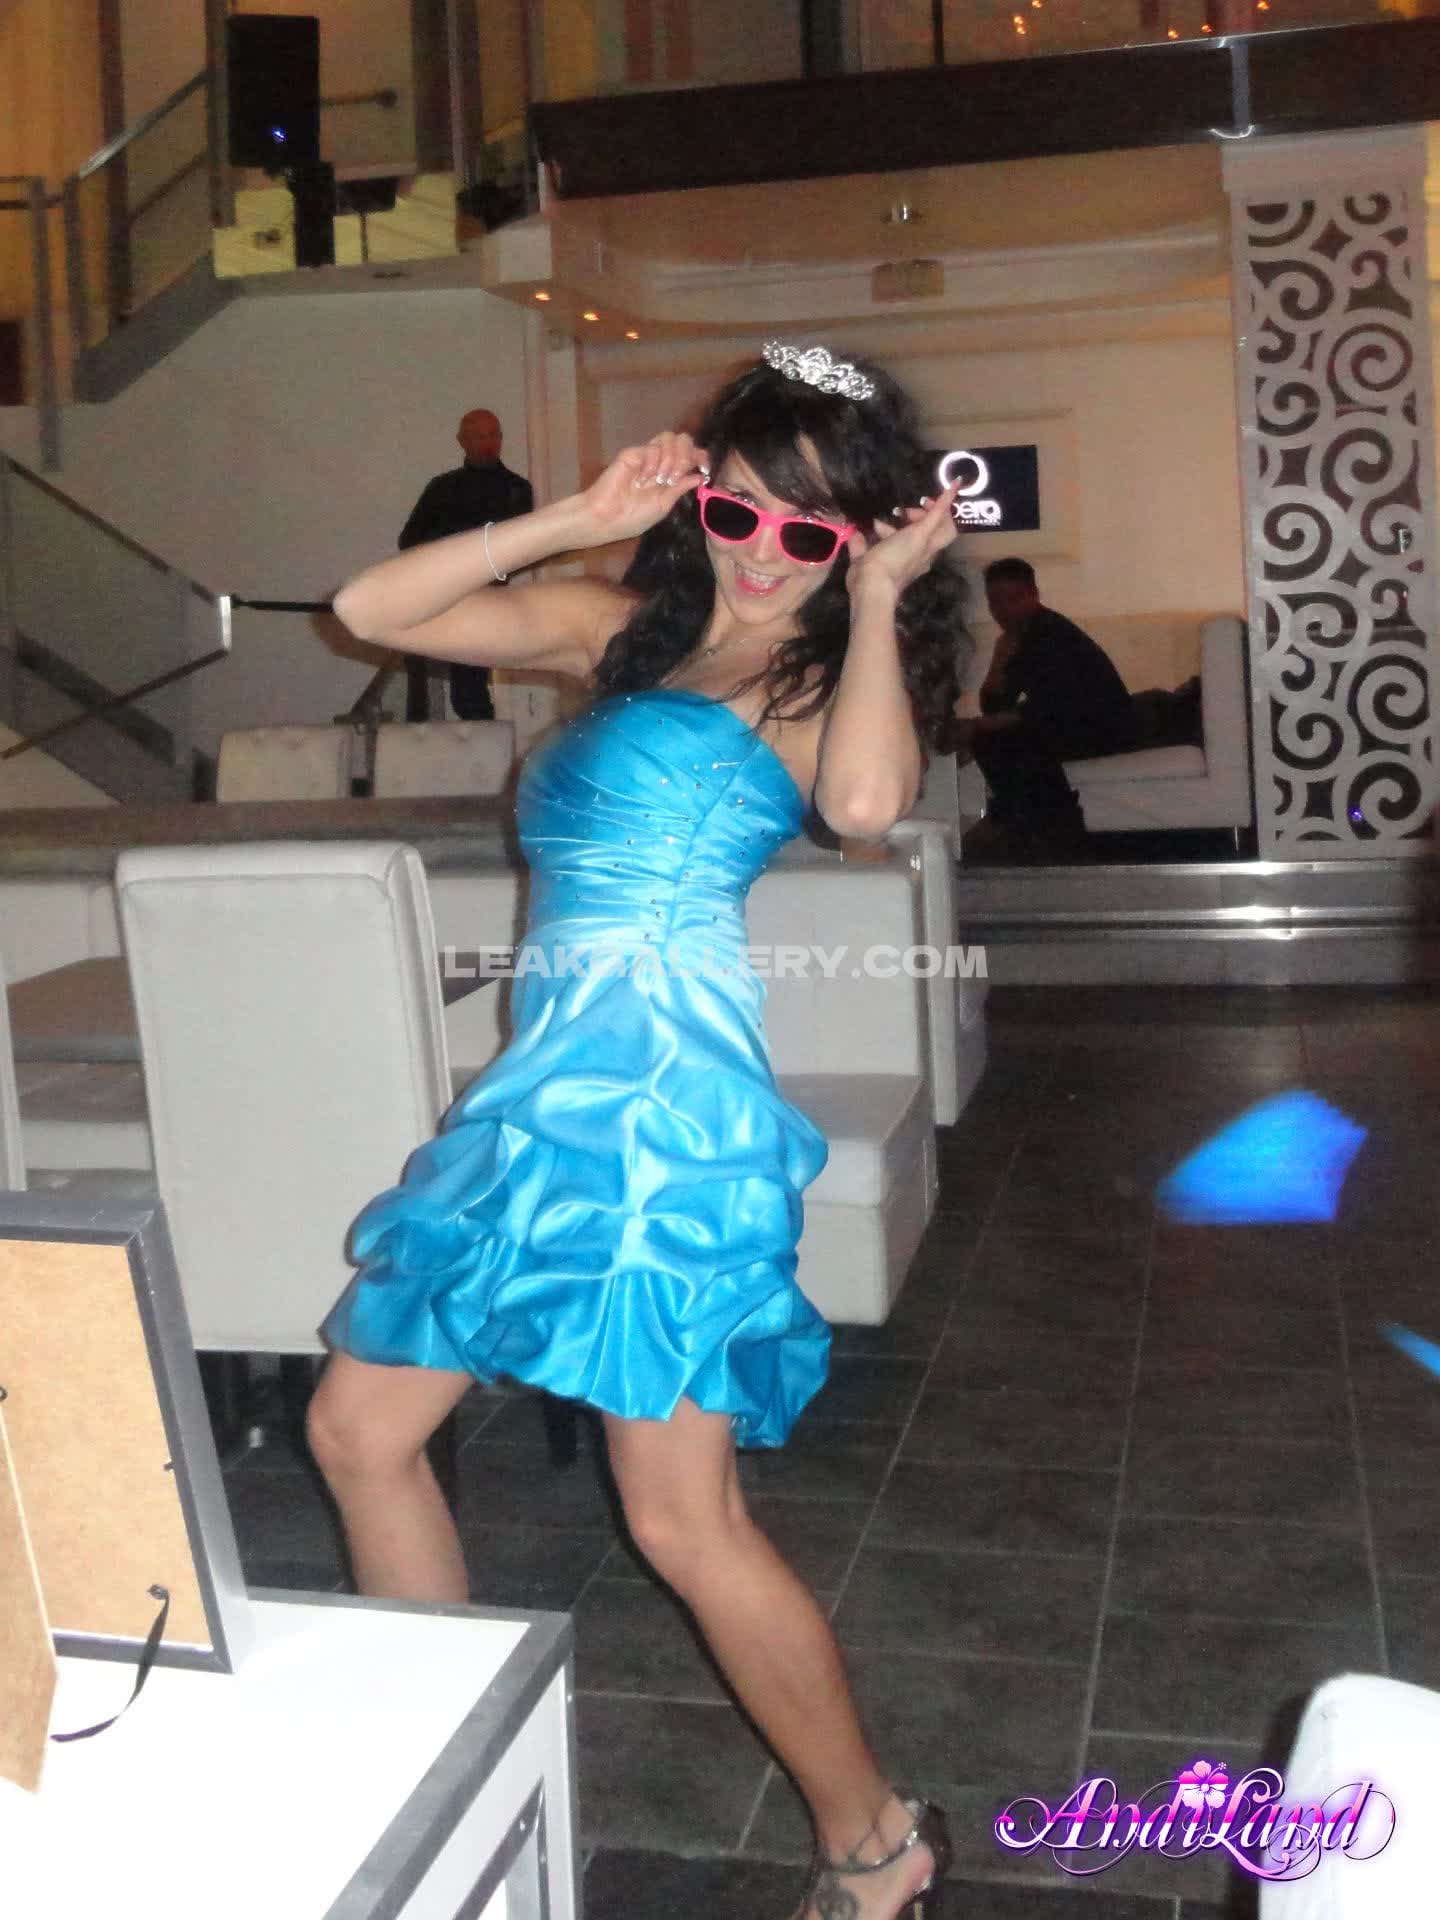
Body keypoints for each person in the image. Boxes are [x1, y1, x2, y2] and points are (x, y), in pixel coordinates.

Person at [308, 340, 968, 1920]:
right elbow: (369, 609)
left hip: (664, 1114)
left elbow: (865, 808)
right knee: (358, 1433)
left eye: (809, 533)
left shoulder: (811, 685)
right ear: (699, 506)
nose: (763, 556)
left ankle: (875, 1840)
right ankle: (453, 1786)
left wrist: (878, 602)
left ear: (855, 541)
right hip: (542, 1099)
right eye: (738, 514)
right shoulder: (620, 635)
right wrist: (572, 517)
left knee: (681, 1520)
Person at [952, 557, 1137, 861]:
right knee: (996, 736)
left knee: (1002, 739)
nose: (1004, 610)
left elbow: (1049, 708)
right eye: (996, 601)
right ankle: (1026, 823)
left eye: (1014, 599)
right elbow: (997, 705)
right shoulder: (1021, 637)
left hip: (1106, 727)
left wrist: (978, 725)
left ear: (1033, 595)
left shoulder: (1052, 635)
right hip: (1069, 722)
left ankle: (1043, 827)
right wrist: (999, 662)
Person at [396, 408, 534, 721]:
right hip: (447, 596)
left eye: (493, 435)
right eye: (479, 436)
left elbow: (521, 550)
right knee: (456, 690)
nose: (488, 443)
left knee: (474, 689)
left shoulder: (516, 489)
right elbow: (410, 541)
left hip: (490, 597)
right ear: (462, 441)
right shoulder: (441, 488)